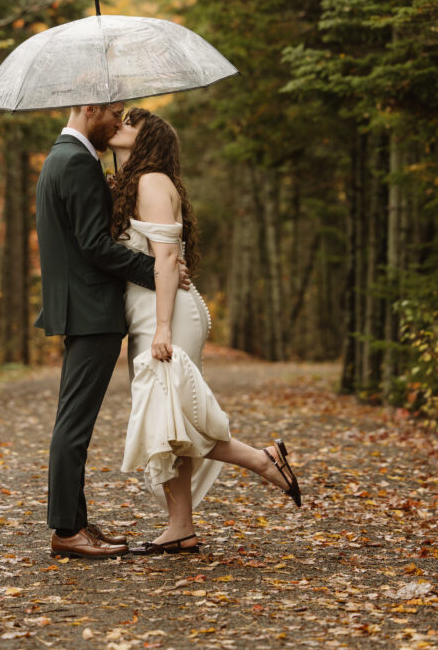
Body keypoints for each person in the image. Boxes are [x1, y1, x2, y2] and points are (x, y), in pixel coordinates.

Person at [109, 107, 301, 555]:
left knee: (175, 418)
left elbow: (166, 259)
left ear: (148, 139)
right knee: (170, 422)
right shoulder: (134, 182)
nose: (120, 124)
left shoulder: (152, 181)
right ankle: (182, 528)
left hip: (167, 315)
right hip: (154, 312)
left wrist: (160, 327)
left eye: (130, 122)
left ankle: (260, 460)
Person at [35, 102, 189, 561]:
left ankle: (75, 522)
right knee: (75, 423)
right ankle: (66, 529)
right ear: (89, 109)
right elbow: (94, 245)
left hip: (81, 307)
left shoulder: (64, 156)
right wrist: (158, 271)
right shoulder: (77, 162)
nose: (118, 124)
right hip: (91, 309)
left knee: (73, 419)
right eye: (113, 114)